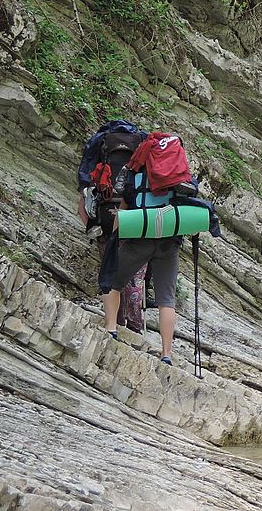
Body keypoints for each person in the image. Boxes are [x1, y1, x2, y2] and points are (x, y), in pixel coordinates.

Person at [101, 131, 194, 365]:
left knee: (113, 280)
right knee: (166, 298)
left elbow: (124, 207)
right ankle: (166, 354)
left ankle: (111, 328)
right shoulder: (177, 175)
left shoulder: (135, 173)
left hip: (140, 238)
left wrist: (115, 234)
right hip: (169, 242)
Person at [77, 120, 148, 334]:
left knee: (110, 270)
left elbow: (85, 189)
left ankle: (115, 323)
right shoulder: (142, 145)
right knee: (135, 275)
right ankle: (135, 326)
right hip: (136, 217)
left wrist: (91, 223)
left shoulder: (100, 144)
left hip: (105, 216)